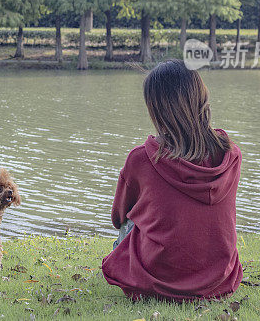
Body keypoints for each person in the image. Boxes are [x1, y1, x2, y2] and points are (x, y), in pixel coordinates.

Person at [101, 59, 243, 302]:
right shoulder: (231, 154)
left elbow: (118, 217)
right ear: (201, 97)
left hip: (156, 282)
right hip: (219, 280)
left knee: (131, 221)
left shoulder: (142, 159)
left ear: (156, 109)